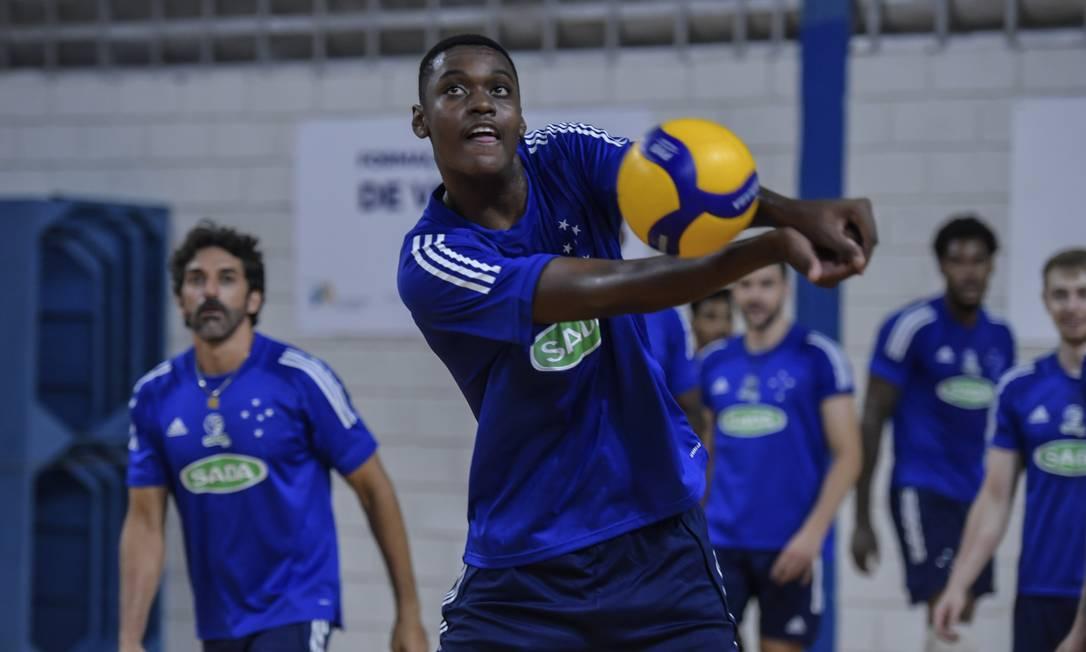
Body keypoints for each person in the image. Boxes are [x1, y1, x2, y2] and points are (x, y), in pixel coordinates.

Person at [397, 33, 877, 650]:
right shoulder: (434, 260)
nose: (482, 103)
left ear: (521, 115)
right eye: (454, 89)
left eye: (500, 90)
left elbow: (677, 181)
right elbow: (609, 289)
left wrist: (793, 211)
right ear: (420, 121)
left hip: (659, 546)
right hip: (527, 567)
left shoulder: (566, 153)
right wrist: (772, 246)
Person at [119, 223, 428, 652]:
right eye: (196, 280)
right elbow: (145, 523)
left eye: (226, 279)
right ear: (179, 300)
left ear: (254, 298)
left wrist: (408, 613)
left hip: (297, 606)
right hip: (218, 620)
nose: (210, 292)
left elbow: (374, 489)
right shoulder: (154, 395)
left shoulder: (299, 379)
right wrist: (129, 638)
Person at [850, 216, 1014, 651]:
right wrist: (862, 518)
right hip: (921, 488)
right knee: (947, 608)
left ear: (992, 266)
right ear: (941, 265)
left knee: (964, 611)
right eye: (958, 261)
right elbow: (871, 420)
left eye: (978, 261)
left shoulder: (1001, 339)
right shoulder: (911, 327)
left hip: (975, 496)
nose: (969, 272)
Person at [699, 264, 860, 652]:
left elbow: (849, 455)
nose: (755, 296)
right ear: (734, 291)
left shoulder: (820, 357)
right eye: (746, 284)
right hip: (722, 545)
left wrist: (812, 536)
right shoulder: (712, 362)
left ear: (786, 288)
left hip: (791, 545)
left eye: (766, 284)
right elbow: (705, 455)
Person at [933, 248, 1086, 652]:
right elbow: (995, 498)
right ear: (1045, 301)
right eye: (1061, 294)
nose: (1072, 306)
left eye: (1083, 293)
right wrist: (958, 584)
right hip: (1041, 588)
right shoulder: (1020, 387)